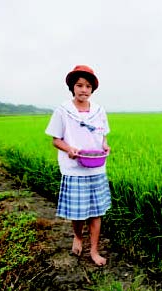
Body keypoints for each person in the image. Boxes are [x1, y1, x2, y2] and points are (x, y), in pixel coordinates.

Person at [45, 65, 111, 266]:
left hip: (97, 167)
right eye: (79, 85)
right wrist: (69, 149)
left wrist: (106, 146)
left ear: (92, 90)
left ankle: (94, 250)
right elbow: (56, 139)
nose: (84, 89)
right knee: (78, 211)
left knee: (96, 211)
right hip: (74, 169)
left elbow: (103, 136)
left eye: (88, 86)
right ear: (72, 88)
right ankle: (77, 236)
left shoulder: (99, 111)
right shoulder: (63, 111)